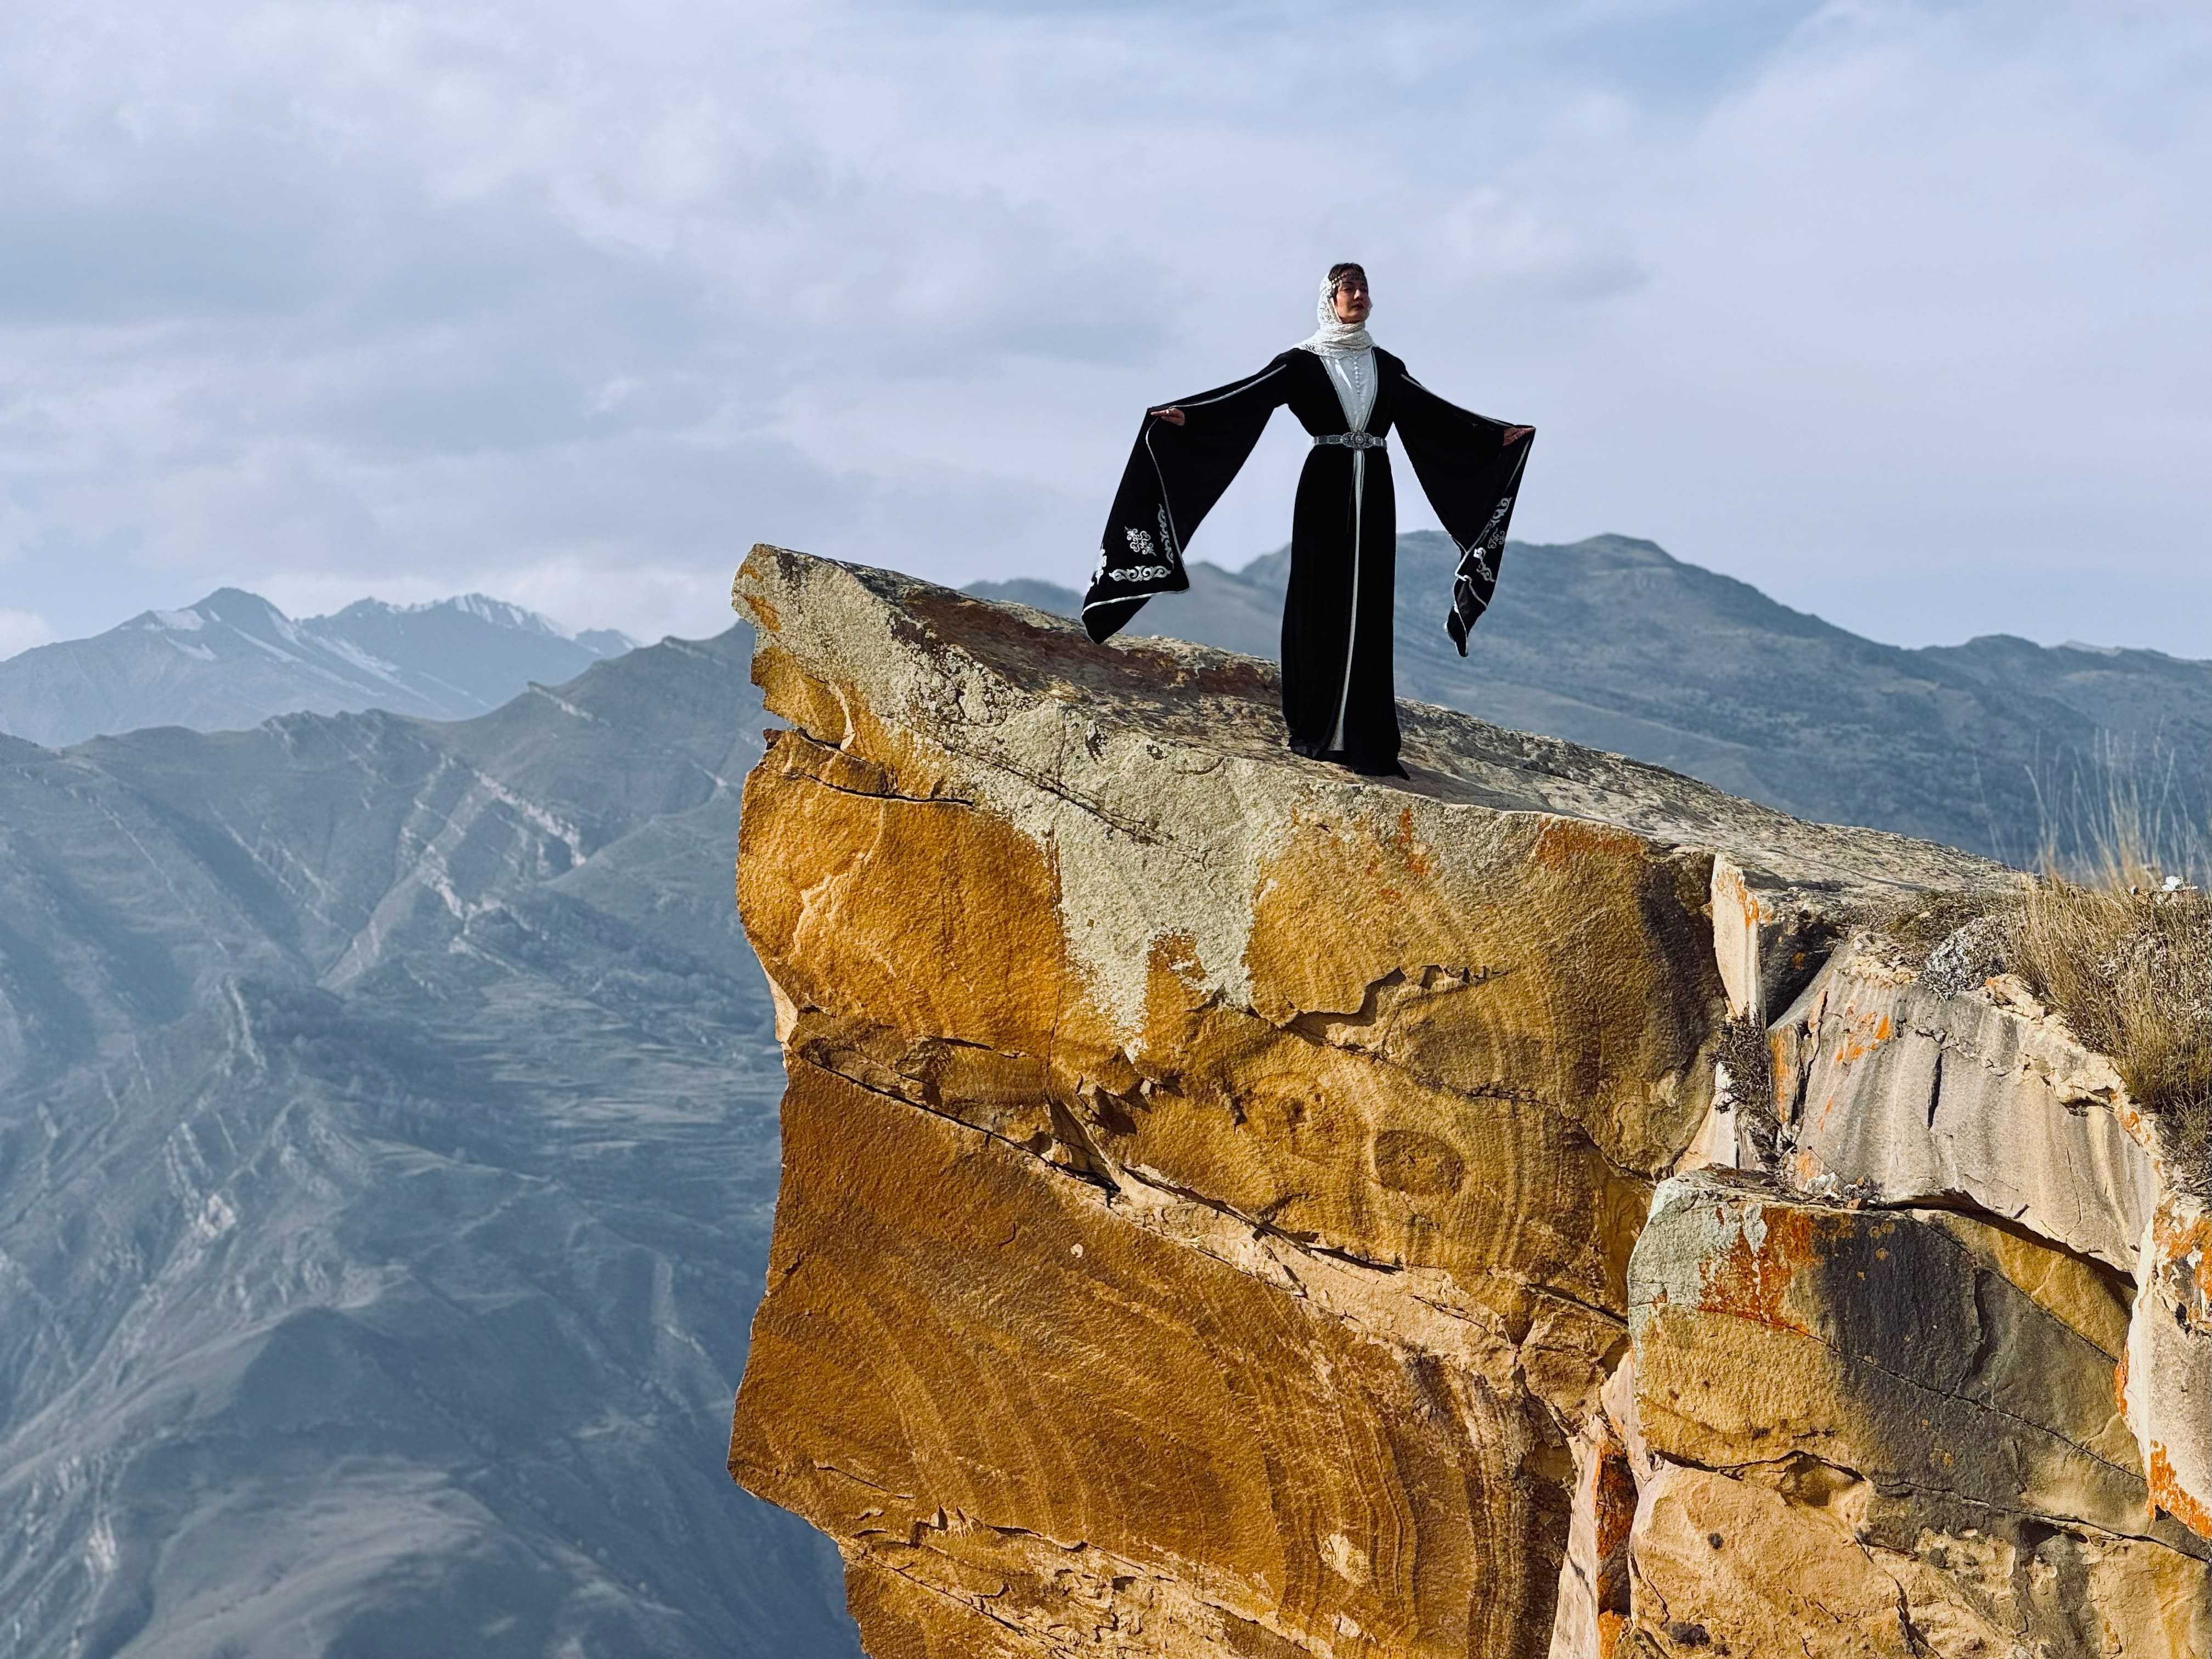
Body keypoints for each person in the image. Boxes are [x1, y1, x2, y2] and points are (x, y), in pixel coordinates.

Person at [1083, 264, 1533, 777]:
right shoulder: (1301, 361)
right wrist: (1191, 415)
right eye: (1348, 289)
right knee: (1319, 595)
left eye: (1364, 289)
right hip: (1326, 484)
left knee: (1369, 601)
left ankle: (1363, 734)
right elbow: (1247, 397)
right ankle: (1317, 724)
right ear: (1330, 299)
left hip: (1376, 486)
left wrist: (1492, 437)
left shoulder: (1388, 365)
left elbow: (1435, 415)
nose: (1358, 296)